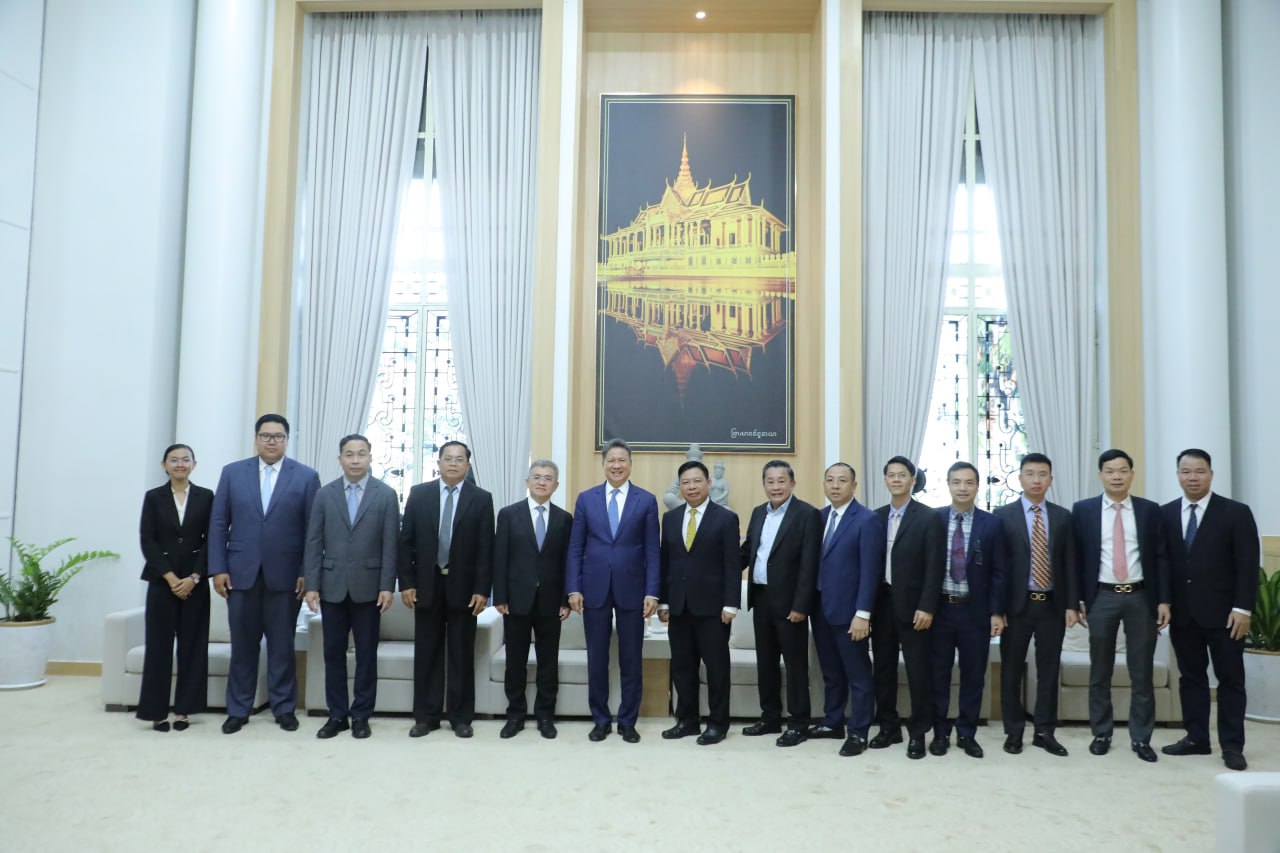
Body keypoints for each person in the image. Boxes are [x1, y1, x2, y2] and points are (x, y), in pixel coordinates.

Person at [209, 414, 321, 734]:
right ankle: (238, 709)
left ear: (287, 439)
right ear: (256, 438)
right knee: (243, 646)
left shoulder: (306, 476)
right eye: (266, 436)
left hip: (286, 576)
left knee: (282, 646)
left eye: (278, 436)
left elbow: (313, 530)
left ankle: (283, 708)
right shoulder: (232, 473)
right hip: (240, 574)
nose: (272, 441)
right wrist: (218, 568)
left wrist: (306, 571)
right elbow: (219, 523)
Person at [1160, 448, 1259, 771]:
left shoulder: (1235, 512)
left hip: (1226, 615)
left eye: (1199, 471)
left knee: (1230, 680)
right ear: (1178, 475)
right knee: (1191, 678)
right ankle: (1196, 738)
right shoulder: (1166, 513)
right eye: (1186, 471)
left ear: (1211, 474)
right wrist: (1164, 601)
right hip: (1183, 614)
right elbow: (1163, 563)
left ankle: (1232, 745)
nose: (1193, 477)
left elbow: (1247, 564)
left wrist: (1243, 608)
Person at [1070, 449, 1170, 762]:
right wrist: (1077, 600)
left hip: (1141, 597)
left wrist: (1164, 600)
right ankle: (1102, 733)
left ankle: (1141, 738)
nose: (1117, 476)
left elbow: (1161, 557)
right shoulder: (1083, 510)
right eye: (1110, 471)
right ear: (1100, 475)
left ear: (1131, 474)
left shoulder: (1149, 510)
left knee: (1142, 672)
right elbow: (1075, 559)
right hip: (1102, 597)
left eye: (1123, 470)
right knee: (1100, 670)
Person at [302, 434, 399, 740]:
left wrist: (387, 585)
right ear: (340, 458)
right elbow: (314, 541)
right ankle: (337, 715)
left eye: (361, 454)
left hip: (370, 588)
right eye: (349, 454)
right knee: (333, 653)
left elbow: (390, 545)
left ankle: (361, 715)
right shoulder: (325, 494)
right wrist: (312, 585)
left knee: (366, 655)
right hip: (331, 587)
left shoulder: (385, 495)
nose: (355, 460)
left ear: (370, 457)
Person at [566, 438, 660, 743]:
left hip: (633, 589)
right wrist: (573, 588)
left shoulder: (646, 500)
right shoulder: (586, 499)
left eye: (622, 460)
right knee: (597, 659)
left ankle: (628, 722)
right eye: (611, 460)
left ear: (630, 464)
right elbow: (575, 548)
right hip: (593, 589)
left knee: (631, 659)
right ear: (603, 464)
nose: (616, 465)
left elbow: (653, 550)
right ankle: (601, 720)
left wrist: (652, 592)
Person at [399, 441, 494, 739]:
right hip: (426, 585)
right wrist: (407, 583)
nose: (453, 464)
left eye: (459, 459)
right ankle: (425, 717)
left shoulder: (481, 499)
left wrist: (482, 589)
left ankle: (460, 717)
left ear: (468, 464)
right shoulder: (419, 494)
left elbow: (486, 549)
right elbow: (406, 542)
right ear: (438, 463)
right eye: (448, 459)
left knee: (461, 653)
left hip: (464, 588)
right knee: (427, 652)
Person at [995, 452, 1078, 757]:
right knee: (1011, 671)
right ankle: (1014, 732)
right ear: (1020, 478)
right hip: (1016, 607)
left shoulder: (1062, 516)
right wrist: (997, 609)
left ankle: (1044, 731)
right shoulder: (1002, 515)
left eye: (1042, 474)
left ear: (1051, 480)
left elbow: (1069, 563)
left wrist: (1072, 605)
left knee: (1049, 670)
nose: (1036, 480)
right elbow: (997, 567)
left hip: (1052, 606)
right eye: (1030, 474)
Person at [658, 460, 741, 746]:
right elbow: (666, 562)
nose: (691, 487)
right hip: (679, 607)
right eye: (685, 482)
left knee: (716, 669)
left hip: (714, 609)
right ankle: (687, 720)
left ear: (708, 483)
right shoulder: (670, 518)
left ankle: (717, 724)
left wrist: (731, 604)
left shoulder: (726, 518)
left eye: (696, 481)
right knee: (682, 667)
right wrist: (664, 602)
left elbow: (732, 565)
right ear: (680, 487)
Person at [740, 460, 822, 747]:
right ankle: (770, 717)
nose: (775, 487)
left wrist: (801, 605)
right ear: (764, 484)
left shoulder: (807, 514)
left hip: (790, 605)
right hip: (761, 599)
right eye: (770, 481)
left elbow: (810, 564)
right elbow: (749, 551)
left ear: (792, 483)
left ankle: (799, 723)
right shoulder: (758, 513)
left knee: (795, 666)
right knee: (766, 663)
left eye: (781, 481)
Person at [928, 461, 1005, 759]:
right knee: (938, 674)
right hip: (940, 610)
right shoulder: (933, 519)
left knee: (974, 675)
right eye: (957, 482)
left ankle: (966, 733)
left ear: (977, 486)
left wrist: (996, 612)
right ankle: (940, 732)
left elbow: (999, 572)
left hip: (975, 612)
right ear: (948, 484)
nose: (963, 488)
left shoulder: (992, 524)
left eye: (969, 482)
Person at [870, 456, 944, 759]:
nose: (897, 480)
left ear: (913, 480)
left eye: (903, 475)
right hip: (881, 604)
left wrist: (927, 606)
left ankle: (918, 732)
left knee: (918, 671)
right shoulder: (875, 517)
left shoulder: (928, 517)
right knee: (883, 669)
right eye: (891, 475)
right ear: (885, 480)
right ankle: (889, 727)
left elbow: (935, 567)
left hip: (915, 608)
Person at [136, 443, 214, 732]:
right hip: (162, 583)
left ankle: (184, 711)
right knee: (158, 647)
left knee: (193, 647)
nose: (180, 464)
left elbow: (212, 539)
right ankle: (156, 713)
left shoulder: (206, 496)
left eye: (185, 459)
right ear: (164, 465)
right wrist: (170, 578)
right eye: (174, 460)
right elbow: (148, 540)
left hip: (195, 583)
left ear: (194, 464)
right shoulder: (153, 497)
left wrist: (194, 577)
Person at [492, 460, 572, 740]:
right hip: (516, 600)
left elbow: (567, 562)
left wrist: (565, 600)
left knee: (548, 662)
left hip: (551, 601)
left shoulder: (564, 519)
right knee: (515, 661)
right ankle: (515, 715)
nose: (541, 482)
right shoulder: (508, 514)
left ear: (555, 485)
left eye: (548, 478)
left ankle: (545, 716)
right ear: (527, 482)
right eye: (536, 477)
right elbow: (500, 557)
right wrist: (500, 596)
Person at [809, 463, 884, 757]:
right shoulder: (819, 517)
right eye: (830, 480)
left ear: (854, 486)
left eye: (842, 480)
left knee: (858, 675)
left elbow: (871, 571)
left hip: (851, 612)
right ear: (824, 485)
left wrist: (863, 613)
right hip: (821, 609)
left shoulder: (867, 519)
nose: (835, 485)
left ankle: (859, 731)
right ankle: (833, 722)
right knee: (830, 672)